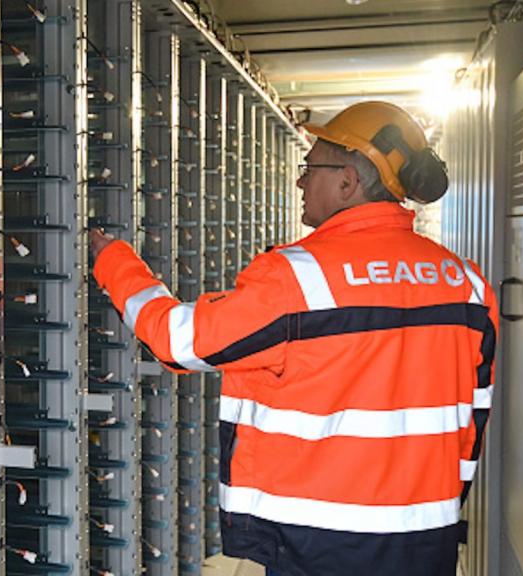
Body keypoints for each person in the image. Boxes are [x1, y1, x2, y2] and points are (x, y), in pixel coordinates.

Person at [90, 101, 498, 576]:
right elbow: (473, 418)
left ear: (347, 182)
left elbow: (178, 341)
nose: (301, 182)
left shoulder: (298, 278)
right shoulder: (467, 284)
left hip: (321, 542)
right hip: (427, 537)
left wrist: (113, 262)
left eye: (310, 168)